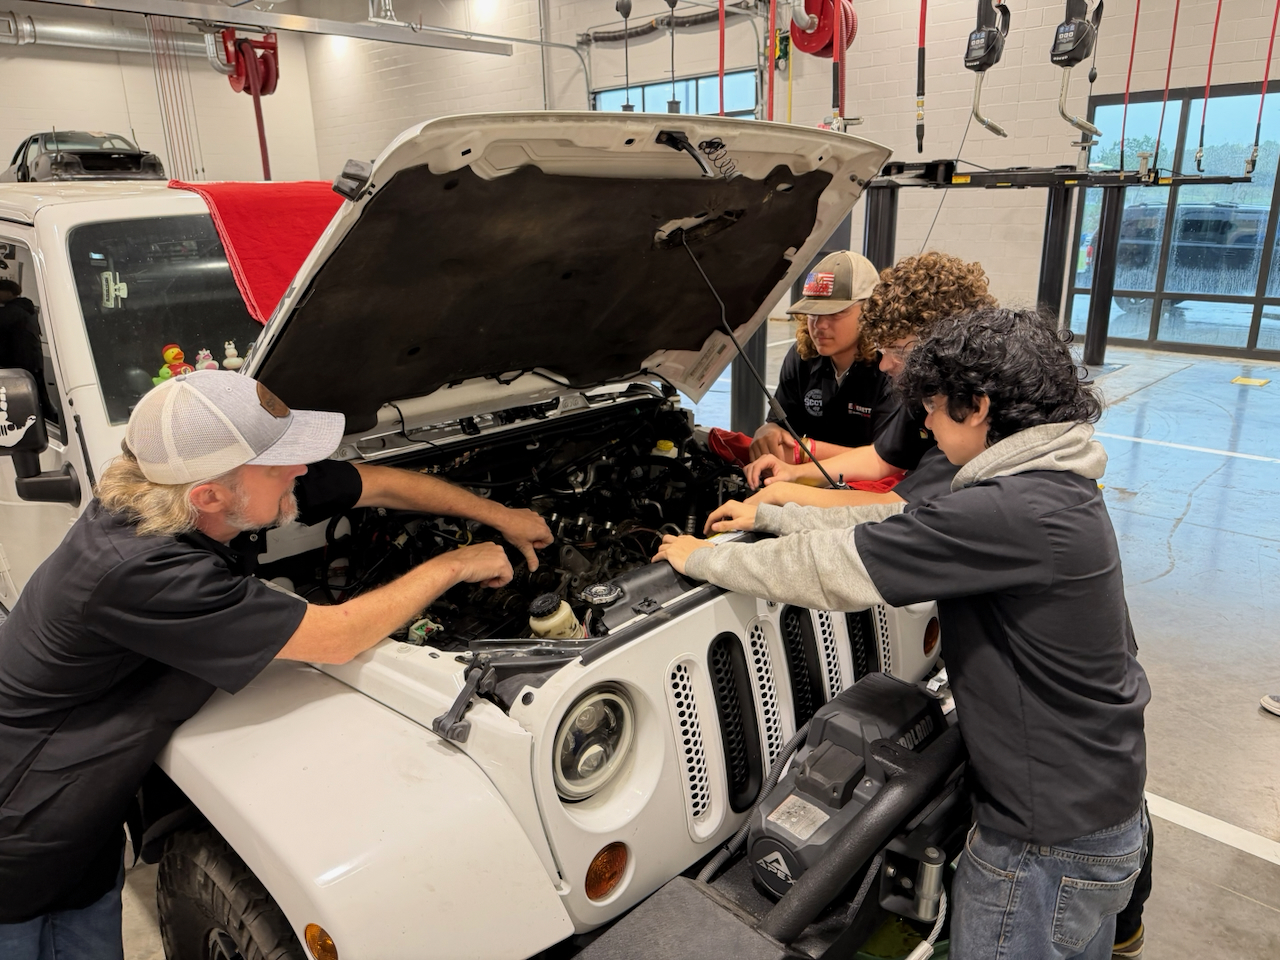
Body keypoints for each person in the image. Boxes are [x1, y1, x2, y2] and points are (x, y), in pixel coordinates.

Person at [0, 369, 552, 960]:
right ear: (208, 496)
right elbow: (337, 638)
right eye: (280, 464)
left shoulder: (193, 493)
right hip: (27, 832)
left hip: (89, 823)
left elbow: (374, 483)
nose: (299, 472)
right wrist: (454, 564)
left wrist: (497, 513)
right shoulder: (141, 570)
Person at [658, 308, 1150, 960]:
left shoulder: (1007, 511)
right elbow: (891, 525)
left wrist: (699, 559)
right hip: (1093, 805)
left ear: (976, 407)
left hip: (1043, 843)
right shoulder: (1048, 485)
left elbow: (838, 569)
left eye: (933, 408)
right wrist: (776, 513)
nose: (922, 424)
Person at [744, 251, 996, 507]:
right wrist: (794, 473)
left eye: (898, 351)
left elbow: (895, 508)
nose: (885, 363)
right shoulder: (931, 391)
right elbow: (881, 458)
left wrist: (786, 491)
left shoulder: (968, 428)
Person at [748, 250, 897, 466]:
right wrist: (770, 431)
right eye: (813, 313)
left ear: (870, 311)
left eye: (835, 313)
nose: (819, 325)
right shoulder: (801, 357)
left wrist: (808, 450)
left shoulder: (891, 367)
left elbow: (887, 460)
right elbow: (783, 427)